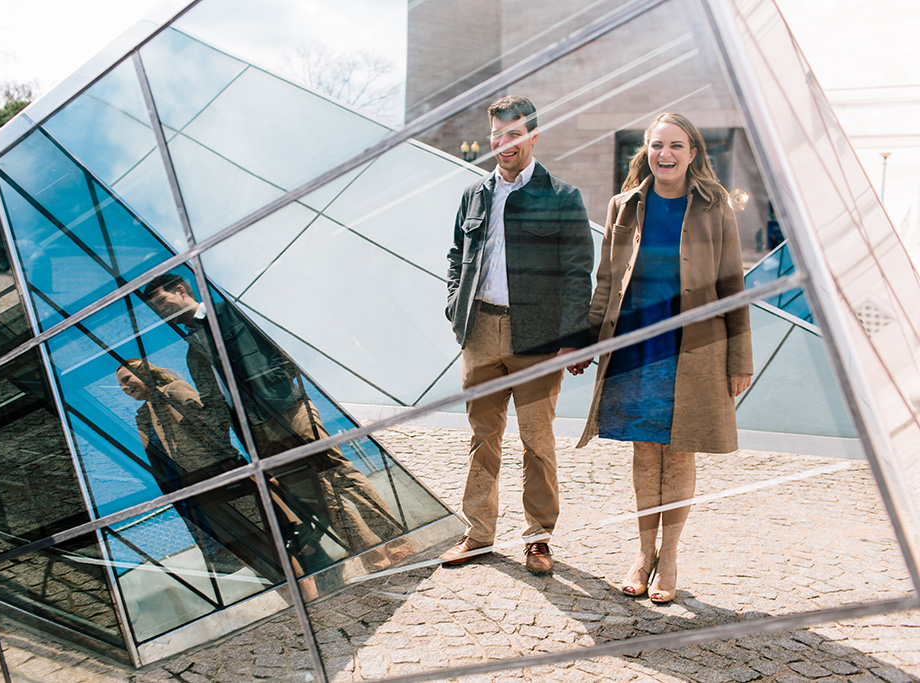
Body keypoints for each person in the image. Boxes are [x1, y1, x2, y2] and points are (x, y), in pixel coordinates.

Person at [577, 112, 753, 603]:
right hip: (635, 346)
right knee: (644, 450)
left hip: (693, 351)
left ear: (693, 152)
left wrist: (740, 359)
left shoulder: (715, 207)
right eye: (657, 145)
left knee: (679, 452)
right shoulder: (623, 206)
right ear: (647, 151)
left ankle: (669, 555)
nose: (666, 154)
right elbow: (607, 283)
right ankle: (642, 552)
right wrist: (590, 341)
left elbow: (732, 288)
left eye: (676, 145)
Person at [141, 274, 405, 564]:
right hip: (255, 432)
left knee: (339, 473)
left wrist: (275, 384)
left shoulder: (230, 313)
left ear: (181, 291)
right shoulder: (194, 352)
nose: (161, 310)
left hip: (288, 410)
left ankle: (397, 541)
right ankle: (373, 556)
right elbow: (216, 404)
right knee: (319, 495)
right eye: (156, 308)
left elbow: (280, 350)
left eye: (163, 301)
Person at [441, 95, 595, 574]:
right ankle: (479, 534)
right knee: (482, 439)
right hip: (480, 331)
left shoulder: (561, 197)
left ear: (532, 135)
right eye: (496, 134)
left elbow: (577, 272)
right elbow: (455, 256)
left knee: (536, 440)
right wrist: (455, 306)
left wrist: (573, 338)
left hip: (537, 337)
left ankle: (538, 538)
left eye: (513, 134)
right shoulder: (474, 194)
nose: (502, 144)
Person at [116, 358, 301, 581]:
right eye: (120, 385)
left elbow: (213, 427)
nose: (125, 387)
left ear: (144, 373)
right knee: (247, 555)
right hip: (192, 495)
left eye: (127, 379)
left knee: (269, 544)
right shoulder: (143, 415)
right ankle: (289, 593)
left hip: (218, 482)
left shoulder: (172, 390)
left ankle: (305, 595)